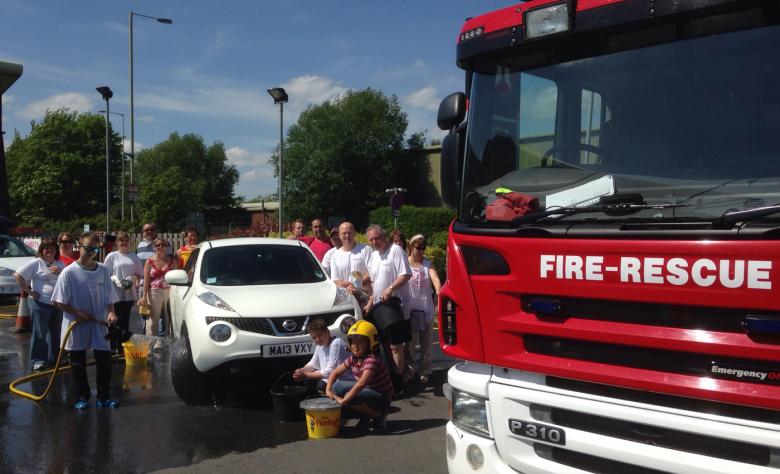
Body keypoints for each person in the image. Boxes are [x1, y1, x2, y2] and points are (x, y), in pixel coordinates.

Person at [51, 232, 119, 410]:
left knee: (104, 361)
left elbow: (109, 297)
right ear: (78, 247)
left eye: (95, 249)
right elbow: (58, 301)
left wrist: (111, 313)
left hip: (99, 323)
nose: (91, 252)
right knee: (78, 363)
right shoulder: (69, 273)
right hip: (77, 324)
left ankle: (103, 397)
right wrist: (75, 312)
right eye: (88, 248)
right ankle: (82, 397)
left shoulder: (103, 270)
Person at [363, 224, 412, 394]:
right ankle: (391, 378)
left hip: (395, 307)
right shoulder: (373, 256)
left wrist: (391, 288)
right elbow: (373, 283)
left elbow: (405, 274)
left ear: (384, 236)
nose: (374, 242)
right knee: (384, 345)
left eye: (377, 238)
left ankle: (398, 384)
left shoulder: (396, 250)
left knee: (395, 346)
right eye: (371, 240)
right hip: (378, 308)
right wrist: (370, 300)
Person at [326, 320, 393, 431]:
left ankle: (377, 414)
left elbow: (361, 384)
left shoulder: (371, 360)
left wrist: (344, 400)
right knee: (336, 387)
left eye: (360, 342)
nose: (355, 346)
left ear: (370, 343)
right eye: (353, 342)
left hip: (382, 396)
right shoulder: (353, 358)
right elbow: (335, 373)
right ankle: (366, 414)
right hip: (369, 390)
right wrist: (328, 390)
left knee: (349, 397)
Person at [14, 238, 65, 371]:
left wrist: (60, 272)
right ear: (41, 250)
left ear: (56, 251)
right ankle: (38, 360)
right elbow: (18, 275)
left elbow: (67, 280)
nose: (49, 251)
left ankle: (55, 359)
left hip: (57, 304)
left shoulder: (61, 264)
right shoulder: (36, 263)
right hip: (40, 303)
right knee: (39, 333)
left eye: (52, 248)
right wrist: (29, 291)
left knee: (56, 333)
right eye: (46, 248)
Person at [402, 234, 442, 384]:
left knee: (426, 343)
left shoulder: (427, 264)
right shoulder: (405, 264)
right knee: (410, 344)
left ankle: (425, 371)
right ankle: (410, 370)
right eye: (418, 247)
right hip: (410, 309)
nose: (421, 251)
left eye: (423, 248)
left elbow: (436, 279)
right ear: (411, 247)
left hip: (425, 309)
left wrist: (438, 291)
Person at [103, 231, 143, 353]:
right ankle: (111, 346)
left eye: (125, 240)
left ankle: (121, 346)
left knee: (125, 321)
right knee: (113, 320)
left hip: (128, 294)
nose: (124, 242)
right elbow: (105, 274)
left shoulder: (134, 256)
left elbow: (140, 274)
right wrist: (114, 279)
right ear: (117, 243)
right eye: (121, 240)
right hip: (115, 294)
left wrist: (133, 279)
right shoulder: (112, 256)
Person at [292, 318, 353, 391]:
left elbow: (330, 371)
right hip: (330, 380)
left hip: (343, 381)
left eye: (320, 335)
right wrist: (301, 371)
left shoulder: (336, 343)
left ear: (327, 332)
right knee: (309, 381)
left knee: (318, 384)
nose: (317, 339)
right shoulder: (320, 346)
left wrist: (306, 375)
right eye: (314, 338)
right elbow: (313, 364)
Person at [138, 238, 176, 337]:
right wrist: (144, 296)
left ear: (167, 247)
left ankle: (168, 343)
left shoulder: (173, 260)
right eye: (158, 245)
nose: (160, 247)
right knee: (153, 320)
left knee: (170, 319)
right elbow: (146, 280)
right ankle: (150, 344)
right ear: (154, 247)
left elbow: (177, 278)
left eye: (163, 245)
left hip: (170, 291)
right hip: (154, 292)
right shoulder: (149, 262)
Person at [329, 222, 372, 299]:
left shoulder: (366, 249)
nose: (347, 236)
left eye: (350, 233)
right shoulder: (335, 256)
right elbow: (335, 279)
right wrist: (346, 287)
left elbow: (372, 271)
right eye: (344, 233)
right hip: (345, 298)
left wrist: (356, 285)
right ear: (339, 235)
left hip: (366, 297)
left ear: (355, 234)